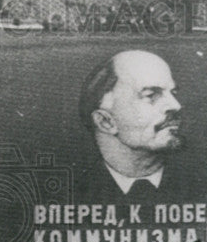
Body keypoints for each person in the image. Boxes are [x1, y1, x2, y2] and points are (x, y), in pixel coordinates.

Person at [76, 49, 182, 202]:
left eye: (173, 92)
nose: (176, 105)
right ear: (105, 122)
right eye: (151, 95)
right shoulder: (73, 191)